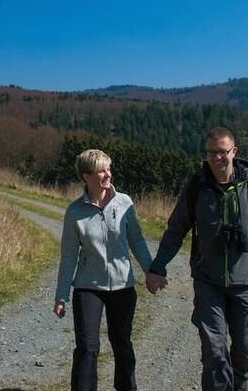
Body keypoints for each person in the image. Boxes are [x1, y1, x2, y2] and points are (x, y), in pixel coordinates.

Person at [146, 127, 248, 391]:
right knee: (214, 352)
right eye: (211, 152)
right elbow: (176, 229)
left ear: (234, 152)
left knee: (245, 349)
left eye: (222, 152)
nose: (216, 158)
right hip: (207, 281)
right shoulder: (196, 186)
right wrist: (158, 267)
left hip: (244, 282)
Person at [54, 149, 154, 391]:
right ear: (86, 176)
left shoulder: (124, 203)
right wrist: (61, 296)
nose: (108, 174)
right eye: (101, 171)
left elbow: (137, 241)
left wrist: (151, 271)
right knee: (87, 347)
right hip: (88, 287)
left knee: (122, 343)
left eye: (109, 169)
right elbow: (69, 257)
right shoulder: (74, 212)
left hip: (123, 286)